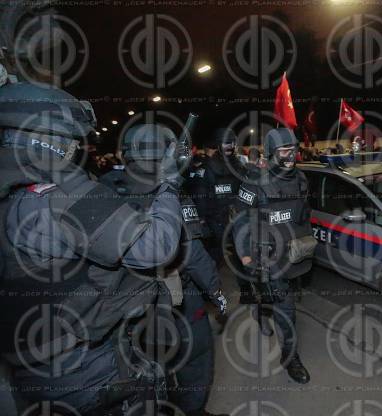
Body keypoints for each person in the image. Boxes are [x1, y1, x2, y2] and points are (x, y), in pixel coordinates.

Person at [0, 82, 186, 414]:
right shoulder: (59, 194)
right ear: (53, 140)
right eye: (73, 141)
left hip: (31, 359)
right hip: (81, 366)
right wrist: (169, 184)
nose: (78, 149)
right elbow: (156, 247)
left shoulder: (12, 186)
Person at [100, 123, 228, 416]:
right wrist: (216, 292)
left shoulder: (101, 189)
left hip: (123, 316)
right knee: (195, 366)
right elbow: (192, 253)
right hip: (178, 307)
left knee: (149, 380)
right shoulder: (169, 192)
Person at [232, 128, 317, 384]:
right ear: (271, 153)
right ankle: (290, 358)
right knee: (287, 310)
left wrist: (308, 243)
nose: (290, 156)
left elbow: (304, 214)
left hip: (296, 257)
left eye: (293, 150)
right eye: (284, 151)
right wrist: (246, 256)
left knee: (280, 297)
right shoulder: (255, 182)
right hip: (269, 259)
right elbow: (240, 221)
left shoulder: (301, 178)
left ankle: (261, 308)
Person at [188, 128, 246, 265]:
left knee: (241, 257)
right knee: (215, 257)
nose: (230, 147)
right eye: (226, 143)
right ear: (218, 145)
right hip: (215, 220)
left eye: (232, 143)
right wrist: (201, 221)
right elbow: (200, 197)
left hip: (235, 218)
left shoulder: (239, 166)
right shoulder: (206, 168)